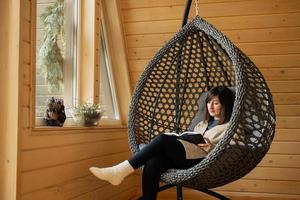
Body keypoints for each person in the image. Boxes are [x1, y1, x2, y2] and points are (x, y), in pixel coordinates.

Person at [89, 86, 235, 200]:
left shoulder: (230, 126)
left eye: (215, 102)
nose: (210, 106)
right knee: (154, 161)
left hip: (202, 161)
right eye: (209, 102)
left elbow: (234, 150)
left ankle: (120, 170)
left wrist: (212, 148)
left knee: (163, 139)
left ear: (225, 105)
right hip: (186, 156)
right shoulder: (202, 124)